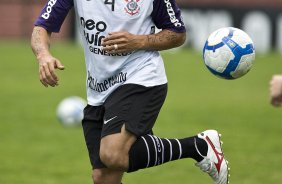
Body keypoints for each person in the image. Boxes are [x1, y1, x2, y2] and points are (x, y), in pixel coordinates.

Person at [31, 0, 230, 183]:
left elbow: (177, 34)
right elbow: (42, 26)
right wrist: (43, 55)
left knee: (112, 154)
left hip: (141, 78)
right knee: (103, 177)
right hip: (98, 89)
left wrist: (139, 41)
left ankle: (198, 147)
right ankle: (199, 146)